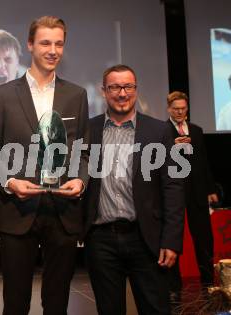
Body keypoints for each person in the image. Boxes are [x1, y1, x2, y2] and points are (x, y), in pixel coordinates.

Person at [0, 16, 89, 315]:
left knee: (57, 302)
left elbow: (83, 152)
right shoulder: (3, 95)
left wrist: (80, 181)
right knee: (15, 303)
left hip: (63, 211)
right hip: (18, 210)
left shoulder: (76, 95)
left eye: (59, 43)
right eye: (45, 42)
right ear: (30, 45)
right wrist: (10, 182)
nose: (52, 50)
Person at [84, 64, 185, 315]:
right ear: (103, 91)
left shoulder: (159, 131)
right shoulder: (88, 130)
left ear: (136, 90)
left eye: (128, 86)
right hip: (101, 240)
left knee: (155, 309)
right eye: (115, 87)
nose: (122, 93)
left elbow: (173, 187)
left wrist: (171, 240)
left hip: (146, 240)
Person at [166, 91, 218, 296]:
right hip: (174, 191)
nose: (179, 112)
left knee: (204, 237)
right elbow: (156, 160)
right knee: (173, 237)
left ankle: (208, 282)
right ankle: (173, 286)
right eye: (176, 108)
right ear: (169, 109)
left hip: (197, 190)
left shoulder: (196, 131)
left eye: (183, 108)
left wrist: (210, 188)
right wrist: (172, 146)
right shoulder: (163, 131)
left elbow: (203, 162)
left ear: (187, 109)